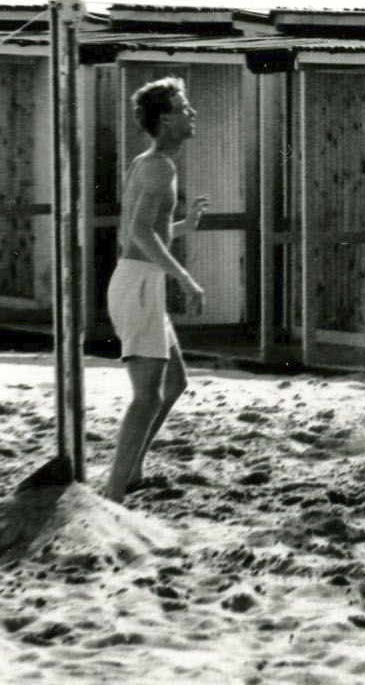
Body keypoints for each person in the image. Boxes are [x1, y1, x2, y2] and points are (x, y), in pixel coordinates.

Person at [104, 77, 209, 504]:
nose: (192, 113)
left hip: (138, 280)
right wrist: (186, 278)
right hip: (139, 284)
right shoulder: (159, 166)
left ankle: (132, 473)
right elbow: (139, 232)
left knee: (174, 383)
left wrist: (183, 227)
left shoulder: (151, 161)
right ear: (164, 119)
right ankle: (112, 495)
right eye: (184, 108)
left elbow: (141, 233)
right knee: (146, 395)